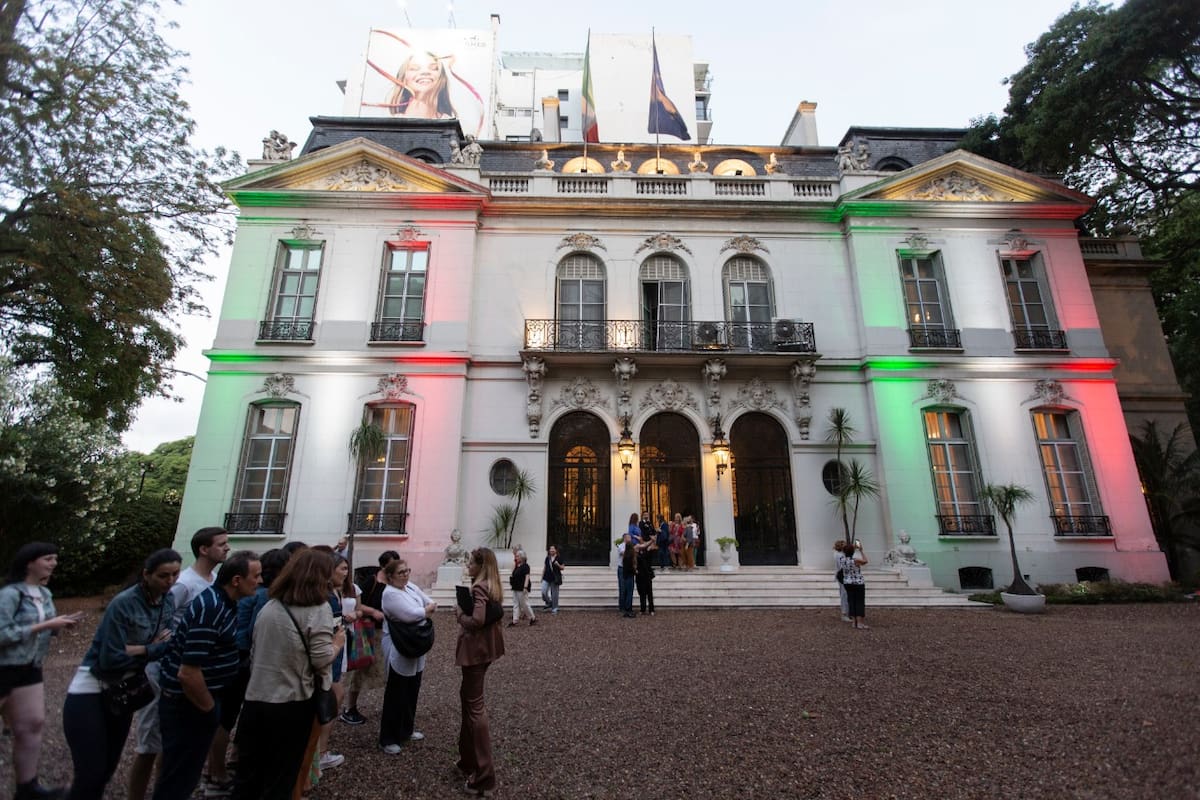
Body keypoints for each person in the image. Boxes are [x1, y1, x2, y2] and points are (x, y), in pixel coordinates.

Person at [63, 549, 181, 800]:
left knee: (107, 769)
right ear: (146, 574)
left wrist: (139, 649)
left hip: (126, 689)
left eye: (175, 574)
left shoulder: (168, 600)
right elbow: (110, 659)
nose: (170, 581)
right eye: (163, 575)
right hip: (93, 686)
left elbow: (169, 644)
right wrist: (151, 648)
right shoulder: (124, 602)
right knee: (90, 772)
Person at [231, 549, 342, 800]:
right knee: (281, 774)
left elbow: (255, 649)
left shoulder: (271, 605)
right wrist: (337, 643)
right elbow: (320, 658)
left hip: (256, 697)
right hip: (291, 700)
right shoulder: (318, 609)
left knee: (249, 774)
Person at [151, 551, 261, 800]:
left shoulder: (225, 602)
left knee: (185, 771)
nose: (260, 581)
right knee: (179, 772)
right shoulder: (212, 608)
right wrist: (210, 710)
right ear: (236, 580)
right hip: (187, 702)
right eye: (255, 576)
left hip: (199, 699)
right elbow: (188, 672)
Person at [131, 527, 230, 800]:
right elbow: (161, 617)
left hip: (187, 668)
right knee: (149, 743)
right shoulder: (185, 583)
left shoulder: (213, 580)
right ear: (204, 549)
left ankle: (167, 790)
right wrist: (156, 643)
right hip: (162, 669)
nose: (227, 548)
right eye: (221, 544)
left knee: (172, 743)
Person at [0, 542, 83, 800]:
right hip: (4, 666)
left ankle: (27, 788)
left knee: (32, 724)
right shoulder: (10, 594)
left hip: (30, 666)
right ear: (29, 562)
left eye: (54, 558)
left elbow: (47, 627)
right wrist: (46, 625)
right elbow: (3, 634)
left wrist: (60, 625)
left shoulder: (44, 594)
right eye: (48, 558)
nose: (53, 563)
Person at [455, 548, 505, 798]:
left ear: (480, 565)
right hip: (486, 649)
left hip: (476, 651)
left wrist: (460, 615)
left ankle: (484, 777)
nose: (468, 565)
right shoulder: (493, 585)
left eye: (471, 562)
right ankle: (468, 759)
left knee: (474, 705)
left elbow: (476, 620)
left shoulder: (479, 587)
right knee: (467, 697)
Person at [378, 558, 436, 753]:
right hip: (400, 643)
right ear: (390, 577)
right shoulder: (390, 594)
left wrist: (425, 609)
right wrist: (425, 611)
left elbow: (427, 600)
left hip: (415, 642)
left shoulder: (409, 587)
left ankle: (406, 729)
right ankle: (388, 738)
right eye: (400, 572)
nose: (405, 575)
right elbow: (410, 614)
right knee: (397, 691)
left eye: (406, 571)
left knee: (412, 687)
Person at [340, 550, 395, 726]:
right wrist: (373, 612)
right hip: (368, 629)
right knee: (360, 667)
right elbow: (359, 604)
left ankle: (391, 706)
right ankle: (349, 707)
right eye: (391, 564)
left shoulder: (395, 582)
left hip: (387, 631)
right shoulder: (372, 581)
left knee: (385, 668)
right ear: (383, 565)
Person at [388, 52, 456, 119]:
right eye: (414, 68)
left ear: (442, 79)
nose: (425, 72)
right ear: (403, 79)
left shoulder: (451, 123)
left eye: (434, 68)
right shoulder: (390, 123)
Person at [837, 541, 869, 630]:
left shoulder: (842, 560)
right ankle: (860, 623)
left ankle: (854, 622)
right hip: (858, 582)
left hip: (847, 583)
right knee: (859, 602)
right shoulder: (855, 561)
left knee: (851, 601)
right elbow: (865, 561)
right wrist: (861, 551)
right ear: (853, 552)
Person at [507, 549, 536, 627]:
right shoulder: (517, 566)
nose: (516, 558)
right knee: (516, 604)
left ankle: (532, 618)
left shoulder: (526, 566)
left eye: (517, 556)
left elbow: (527, 577)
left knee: (525, 604)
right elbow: (512, 574)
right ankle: (515, 620)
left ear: (522, 557)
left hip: (522, 587)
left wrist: (525, 587)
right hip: (515, 587)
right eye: (516, 556)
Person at [634, 531, 657, 615]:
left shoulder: (648, 550)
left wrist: (652, 541)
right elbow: (640, 546)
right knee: (642, 593)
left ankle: (651, 609)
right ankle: (643, 609)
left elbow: (648, 546)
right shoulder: (636, 551)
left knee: (649, 593)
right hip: (640, 575)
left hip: (647, 574)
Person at [539, 546, 563, 614]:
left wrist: (558, 565)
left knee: (554, 594)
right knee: (543, 592)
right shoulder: (547, 558)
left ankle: (554, 608)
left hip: (555, 578)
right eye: (550, 549)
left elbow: (563, 567)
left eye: (553, 549)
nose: (551, 550)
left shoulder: (559, 558)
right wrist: (542, 577)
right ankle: (549, 602)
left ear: (556, 550)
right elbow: (545, 567)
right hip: (546, 577)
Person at [617, 533, 636, 618]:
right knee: (622, 588)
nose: (630, 539)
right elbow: (623, 553)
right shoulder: (621, 546)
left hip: (629, 569)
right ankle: (622, 607)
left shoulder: (632, 546)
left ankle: (629, 607)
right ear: (624, 538)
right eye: (628, 537)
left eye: (630, 537)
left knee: (629, 589)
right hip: (622, 569)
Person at [833, 539, 850, 623]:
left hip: (841, 576)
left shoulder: (838, 554)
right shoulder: (840, 556)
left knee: (844, 594)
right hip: (843, 576)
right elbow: (843, 566)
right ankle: (844, 613)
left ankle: (847, 612)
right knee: (844, 595)